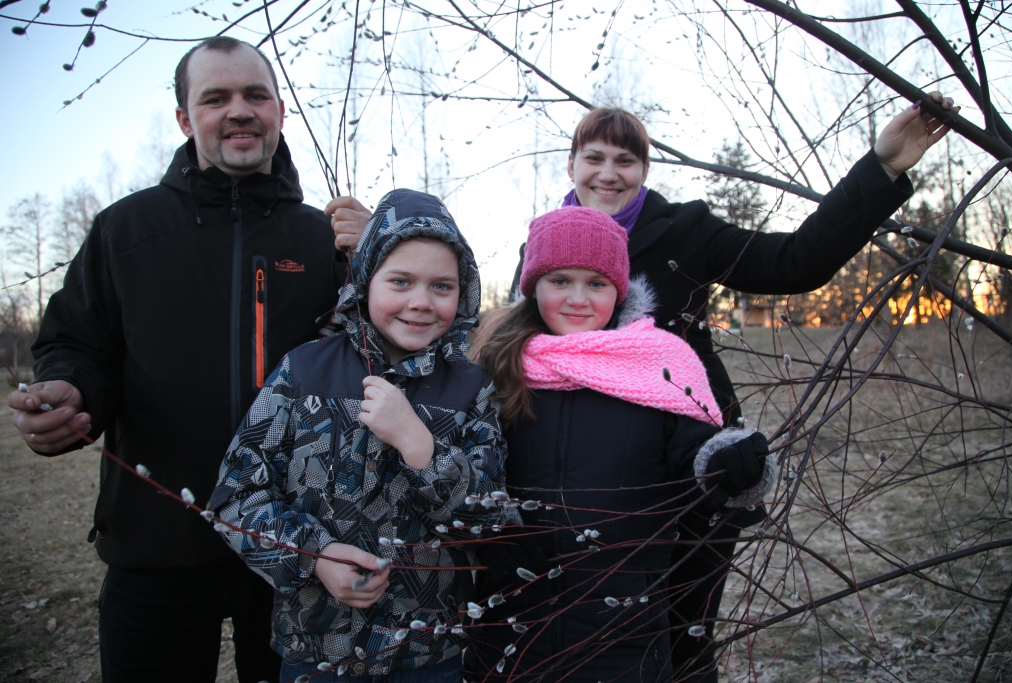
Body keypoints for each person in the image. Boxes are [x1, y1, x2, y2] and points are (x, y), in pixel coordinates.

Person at [326, 93, 958, 681]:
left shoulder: (686, 231)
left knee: (677, 632)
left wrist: (879, 170)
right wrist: (371, 250)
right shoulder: (539, 247)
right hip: (545, 480)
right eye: (593, 157)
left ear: (644, 169)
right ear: (572, 164)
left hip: (677, 465)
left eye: (625, 160)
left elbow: (796, 262)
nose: (608, 172)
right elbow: (437, 316)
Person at [6, 37, 347, 683]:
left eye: (255, 95)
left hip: (295, 547)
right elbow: (77, 343)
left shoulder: (321, 235)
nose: (239, 110)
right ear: (187, 120)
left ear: (279, 109)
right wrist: (71, 393)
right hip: (154, 541)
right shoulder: (125, 229)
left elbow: (375, 352)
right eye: (216, 98)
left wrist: (375, 253)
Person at [211, 188, 518, 682]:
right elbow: (233, 498)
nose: (421, 302)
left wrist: (421, 447)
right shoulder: (303, 372)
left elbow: (484, 523)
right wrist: (314, 558)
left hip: (427, 655)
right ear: (364, 283)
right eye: (401, 281)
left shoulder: (470, 388)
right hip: (317, 651)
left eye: (442, 287)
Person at [462, 206, 774, 682]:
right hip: (511, 622)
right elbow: (460, 469)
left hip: (624, 622)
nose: (577, 298)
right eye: (560, 280)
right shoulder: (497, 366)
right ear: (532, 286)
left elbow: (698, 460)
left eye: (596, 283)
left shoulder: (660, 363)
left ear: (619, 289)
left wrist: (730, 464)